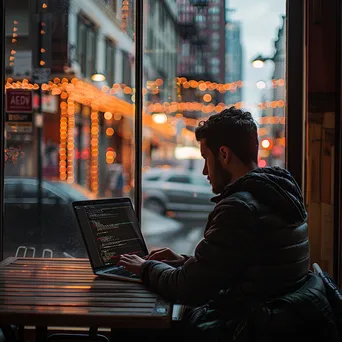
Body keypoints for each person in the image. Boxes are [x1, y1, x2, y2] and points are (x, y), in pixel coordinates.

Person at [117, 107, 338, 341]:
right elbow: (247, 266)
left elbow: (189, 289)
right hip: (271, 321)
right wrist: (185, 262)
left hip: (239, 328)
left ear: (224, 154)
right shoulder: (281, 193)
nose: (204, 171)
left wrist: (144, 267)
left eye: (205, 159)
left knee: (129, 326)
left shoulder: (240, 208)